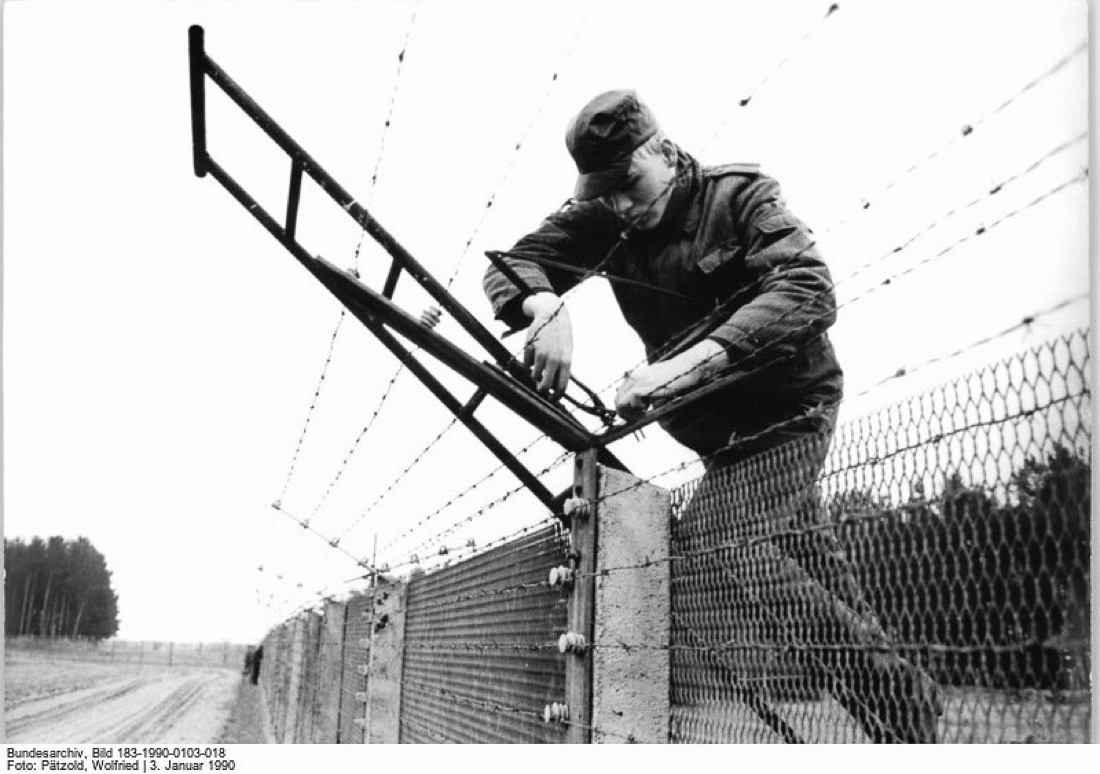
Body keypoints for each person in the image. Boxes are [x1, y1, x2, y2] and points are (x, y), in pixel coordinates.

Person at [483, 90, 942, 743]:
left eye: (629, 184)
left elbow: (806, 289)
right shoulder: (606, 218)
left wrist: (676, 371)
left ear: (666, 152)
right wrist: (544, 307)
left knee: (719, 544)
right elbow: (511, 265)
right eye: (605, 191)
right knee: (815, 578)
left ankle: (908, 702)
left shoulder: (740, 197)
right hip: (719, 439)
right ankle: (905, 725)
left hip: (789, 411)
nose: (621, 205)